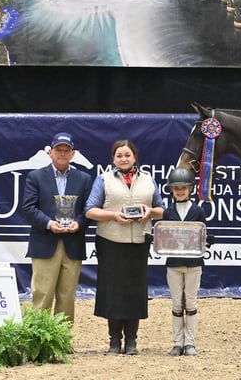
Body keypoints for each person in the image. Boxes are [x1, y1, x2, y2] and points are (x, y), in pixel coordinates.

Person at [84, 139, 164, 355]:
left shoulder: (148, 180)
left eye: (127, 155)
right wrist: (114, 216)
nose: (123, 159)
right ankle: (113, 341)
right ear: (113, 159)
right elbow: (90, 210)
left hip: (138, 242)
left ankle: (131, 341)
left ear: (135, 157)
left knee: (134, 292)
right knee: (113, 292)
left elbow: (162, 210)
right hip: (110, 242)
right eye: (119, 155)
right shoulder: (103, 179)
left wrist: (149, 211)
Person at [21, 132, 93, 323]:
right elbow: (28, 208)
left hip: (73, 243)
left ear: (73, 154)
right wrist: (48, 223)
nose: (62, 154)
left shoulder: (84, 179)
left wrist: (79, 223)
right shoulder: (35, 177)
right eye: (58, 150)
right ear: (50, 152)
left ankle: (62, 339)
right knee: (42, 293)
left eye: (66, 150)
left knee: (67, 295)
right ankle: (37, 339)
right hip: (45, 242)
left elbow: (88, 209)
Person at [161, 168, 208, 357]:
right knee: (176, 303)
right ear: (171, 190)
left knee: (191, 301)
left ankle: (190, 342)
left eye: (183, 188)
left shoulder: (198, 211)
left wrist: (207, 239)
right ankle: (177, 342)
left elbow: (202, 233)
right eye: (176, 188)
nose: (180, 191)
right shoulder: (168, 212)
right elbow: (165, 235)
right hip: (173, 262)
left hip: (193, 262)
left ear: (190, 189)